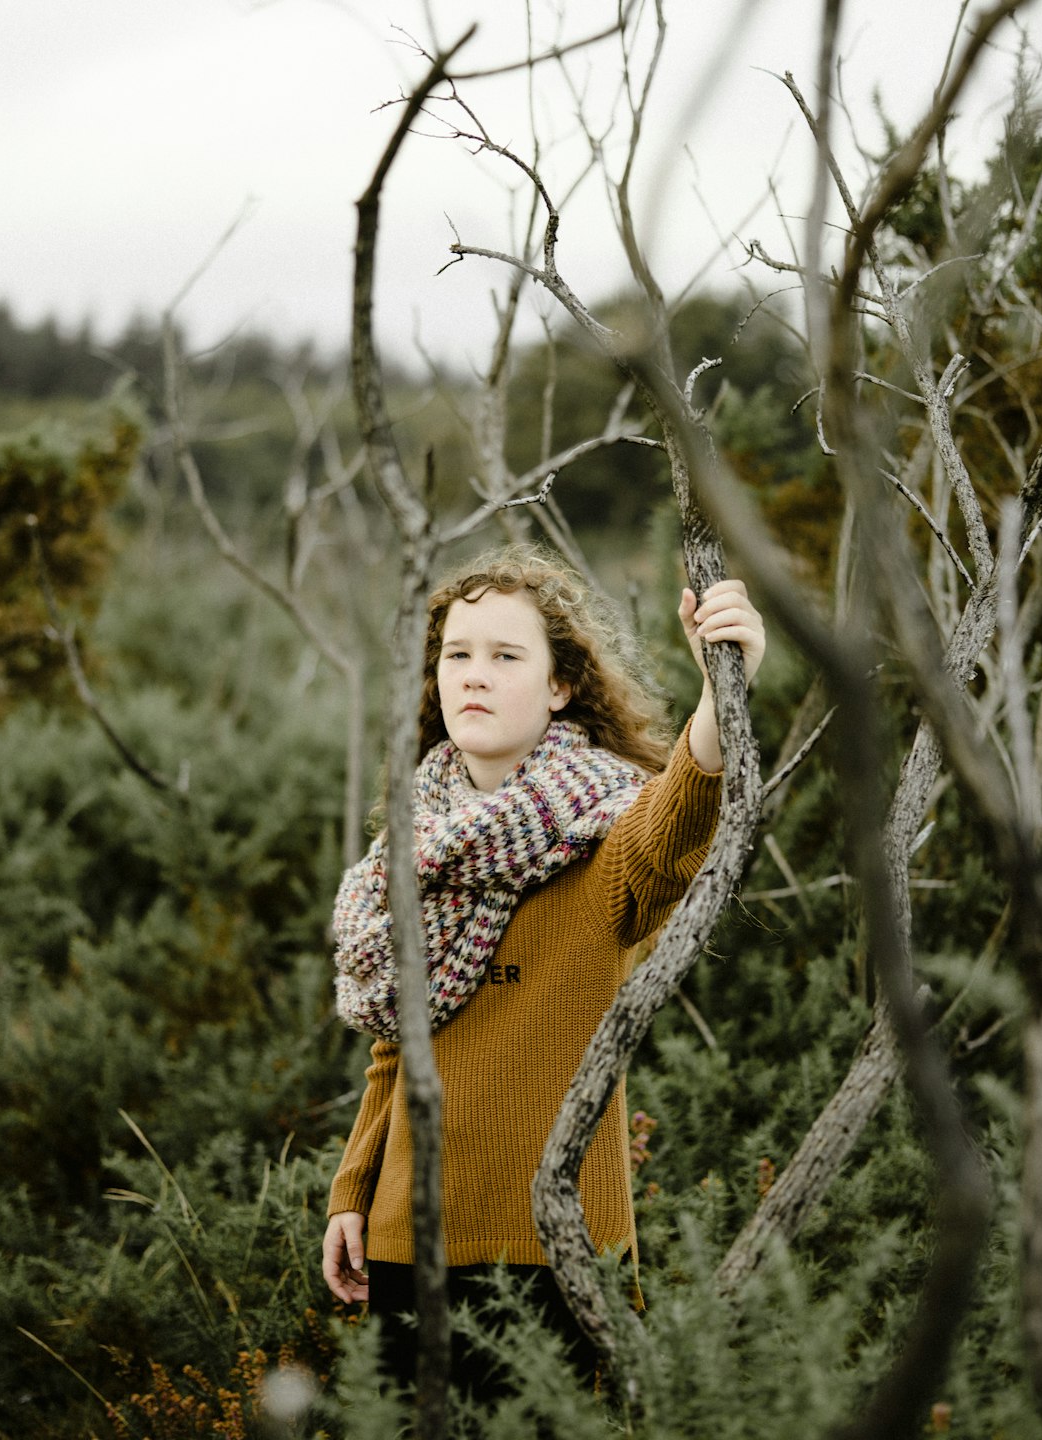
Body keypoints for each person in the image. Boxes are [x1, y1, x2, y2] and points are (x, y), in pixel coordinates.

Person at [321, 544, 765, 1395]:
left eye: (505, 655)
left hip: (555, 1247)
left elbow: (675, 825)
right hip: (405, 1236)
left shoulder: (610, 835)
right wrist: (352, 1189)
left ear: (561, 685)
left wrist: (721, 690)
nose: (473, 676)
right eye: (457, 654)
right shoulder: (414, 848)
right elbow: (396, 1047)